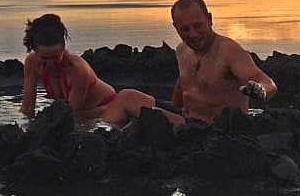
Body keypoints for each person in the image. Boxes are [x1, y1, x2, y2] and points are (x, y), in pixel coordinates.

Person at [21, 14, 185, 128]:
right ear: (34, 51)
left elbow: (72, 114)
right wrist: (27, 126)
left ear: (63, 48)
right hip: (95, 114)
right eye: (44, 58)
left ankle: (183, 122)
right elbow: (28, 106)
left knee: (179, 119)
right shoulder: (31, 63)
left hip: (113, 107)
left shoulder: (78, 70)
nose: (50, 64)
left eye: (54, 58)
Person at [170, 0, 277, 123]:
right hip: (186, 123)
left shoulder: (229, 51)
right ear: (176, 27)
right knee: (140, 101)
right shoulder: (182, 50)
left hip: (220, 131)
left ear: (209, 19)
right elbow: (184, 82)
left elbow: (268, 83)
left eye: (197, 26)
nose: (193, 34)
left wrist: (261, 90)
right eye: (185, 29)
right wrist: (173, 109)